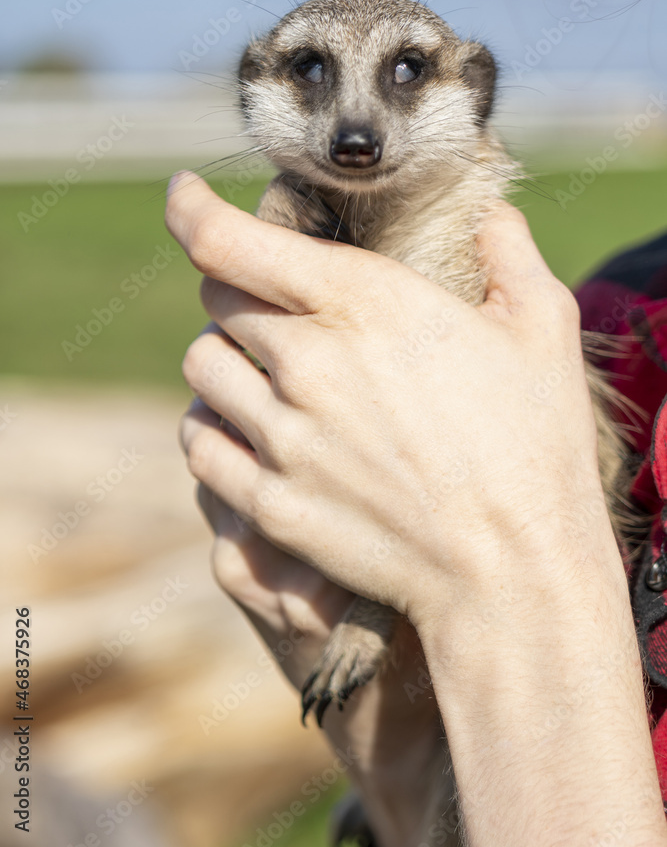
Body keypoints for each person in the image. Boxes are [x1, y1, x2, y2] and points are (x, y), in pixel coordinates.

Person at [165, 170, 667, 847]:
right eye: (306, 69)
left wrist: (491, 583)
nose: (354, 130)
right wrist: (399, 772)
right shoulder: (621, 308)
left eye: (407, 72)